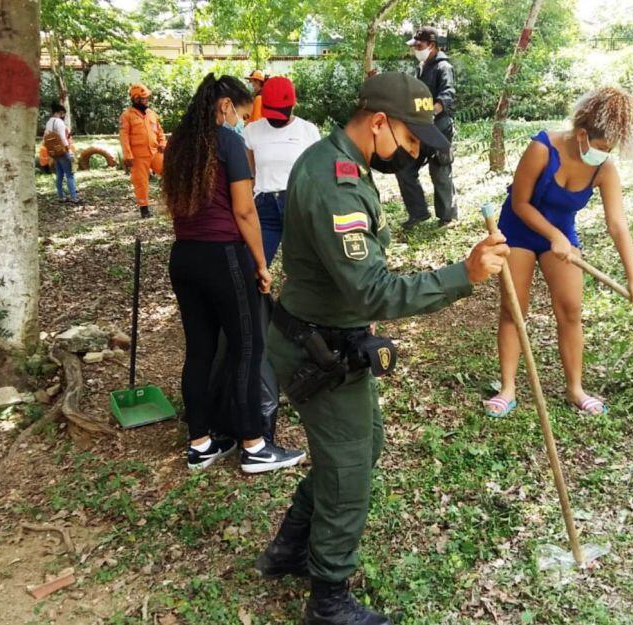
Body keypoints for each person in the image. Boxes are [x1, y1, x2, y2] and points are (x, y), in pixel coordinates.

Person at [254, 72, 509, 625]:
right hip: (317, 348)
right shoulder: (336, 182)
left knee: (361, 448)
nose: (415, 152)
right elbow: (371, 289)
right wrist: (462, 274)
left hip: (334, 340)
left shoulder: (341, 163)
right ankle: (328, 599)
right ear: (377, 123)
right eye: (411, 139)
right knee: (349, 472)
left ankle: (287, 550)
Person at [161, 73, 305, 475]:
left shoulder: (178, 145)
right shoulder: (229, 142)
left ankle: (200, 443)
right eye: (242, 113)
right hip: (224, 256)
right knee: (248, 348)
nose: (243, 121)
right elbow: (245, 211)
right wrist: (260, 264)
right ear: (225, 107)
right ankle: (255, 445)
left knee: (200, 351)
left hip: (184, 257)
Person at [483, 87, 633, 420]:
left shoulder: (604, 168)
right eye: (603, 147)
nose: (606, 154)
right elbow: (519, 203)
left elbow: (617, 224)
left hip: (561, 236)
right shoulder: (542, 148)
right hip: (518, 228)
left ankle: (575, 389)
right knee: (514, 308)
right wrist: (552, 236)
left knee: (571, 310)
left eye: (611, 149)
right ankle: (507, 389)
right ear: (581, 135)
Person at [242, 76, 320, 267]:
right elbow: (249, 174)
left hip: (297, 204)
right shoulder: (252, 131)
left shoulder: (308, 131)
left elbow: (316, 175)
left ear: (293, 105)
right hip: (264, 205)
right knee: (252, 267)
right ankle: (260, 297)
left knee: (304, 268)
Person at [396, 26, 457, 229]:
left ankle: (447, 217)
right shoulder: (421, 67)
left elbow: (448, 94)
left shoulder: (443, 67)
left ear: (431, 45)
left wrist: (432, 111)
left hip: (439, 129)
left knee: (440, 171)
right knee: (404, 169)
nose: (415, 49)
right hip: (419, 129)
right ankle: (419, 213)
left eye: (419, 45)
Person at [120, 83, 166, 218]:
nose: (146, 100)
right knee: (141, 182)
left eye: (147, 98)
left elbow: (160, 132)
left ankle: (173, 200)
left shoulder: (152, 114)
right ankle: (144, 209)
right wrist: (127, 155)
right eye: (144, 98)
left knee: (169, 173)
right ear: (136, 99)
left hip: (155, 152)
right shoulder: (127, 116)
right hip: (138, 156)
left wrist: (162, 143)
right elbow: (124, 136)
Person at [43, 103, 83, 205]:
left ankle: (60, 196)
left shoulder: (49, 122)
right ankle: (74, 198)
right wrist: (68, 150)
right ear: (60, 112)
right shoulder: (59, 122)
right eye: (63, 113)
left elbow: (45, 138)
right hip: (62, 151)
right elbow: (63, 138)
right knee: (70, 175)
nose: (63, 115)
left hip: (54, 152)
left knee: (59, 175)